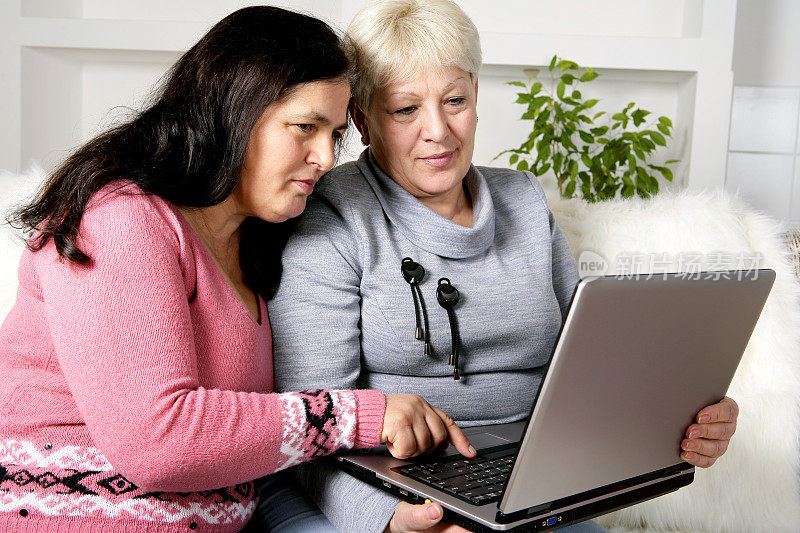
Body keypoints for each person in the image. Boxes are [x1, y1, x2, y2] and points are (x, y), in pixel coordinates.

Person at [268, 1, 740, 532]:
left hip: (529, 486)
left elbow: (590, 365)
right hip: (379, 491)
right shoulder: (333, 216)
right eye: (405, 110)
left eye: (455, 101)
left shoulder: (523, 199)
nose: (439, 131)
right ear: (362, 119)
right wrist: (391, 520)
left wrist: (681, 418)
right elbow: (311, 424)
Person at [0, 6, 475, 532]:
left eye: (334, 133)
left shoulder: (257, 239)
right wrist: (361, 415)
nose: (324, 156)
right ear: (233, 113)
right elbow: (158, 443)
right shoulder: (117, 217)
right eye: (304, 127)